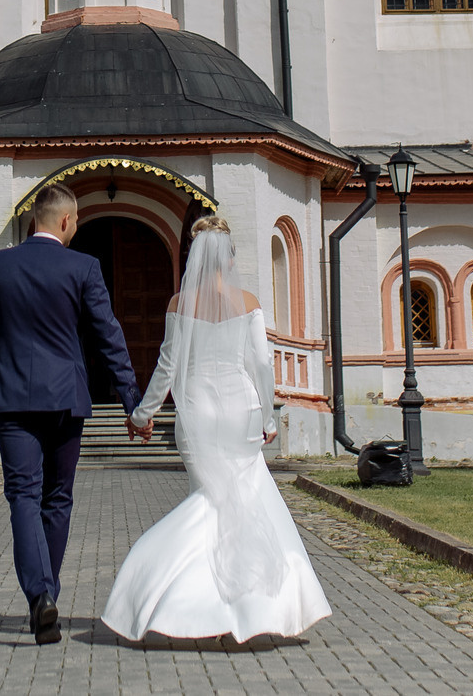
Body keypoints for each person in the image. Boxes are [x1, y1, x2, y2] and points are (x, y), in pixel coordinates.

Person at [101, 215, 331, 646]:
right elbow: (260, 365)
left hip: (200, 412)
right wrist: (267, 417)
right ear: (229, 258)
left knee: (208, 501)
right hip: (241, 409)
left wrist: (142, 413)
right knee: (244, 501)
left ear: (195, 258)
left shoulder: (178, 304)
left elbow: (168, 366)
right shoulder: (247, 301)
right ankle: (250, 606)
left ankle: (173, 590)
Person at [0, 183, 140, 645]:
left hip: (13, 395)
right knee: (57, 498)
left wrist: (14, 350)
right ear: (64, 220)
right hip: (65, 396)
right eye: (77, 220)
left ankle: (41, 596)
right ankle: (47, 594)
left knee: (22, 494)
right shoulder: (83, 267)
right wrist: (131, 401)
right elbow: (109, 336)